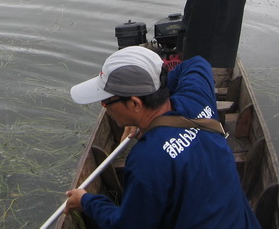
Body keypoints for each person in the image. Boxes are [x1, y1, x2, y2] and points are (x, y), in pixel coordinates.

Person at [64, 46, 260, 228]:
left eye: (106, 102)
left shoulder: (146, 160)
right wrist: (156, 89)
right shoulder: (196, 98)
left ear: (135, 104)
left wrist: (87, 201)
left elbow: (127, 225)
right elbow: (197, 63)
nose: (105, 107)